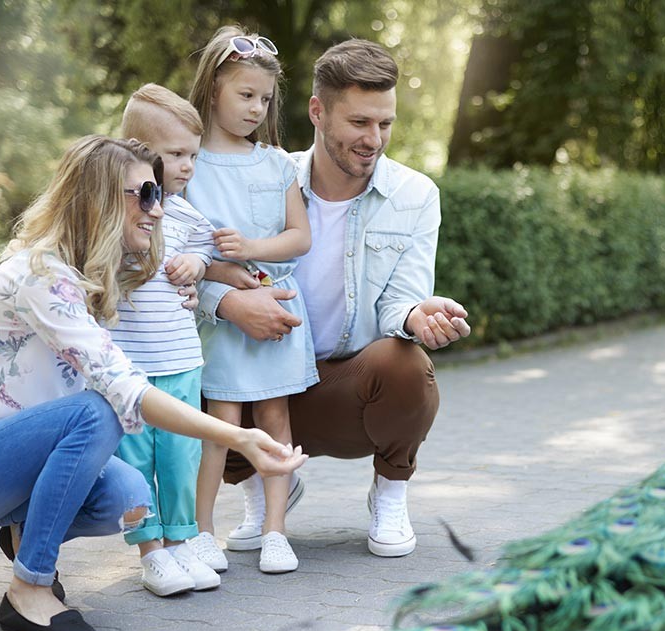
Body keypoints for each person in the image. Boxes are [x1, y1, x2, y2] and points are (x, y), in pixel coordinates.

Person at [0, 136, 305, 631]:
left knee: (129, 496)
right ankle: (29, 586)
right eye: (145, 194)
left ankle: (25, 532)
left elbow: (193, 267)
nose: (158, 208)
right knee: (99, 413)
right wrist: (241, 438)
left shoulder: (90, 273)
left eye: (158, 192)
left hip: (10, 459)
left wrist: (216, 284)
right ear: (98, 199)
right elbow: (124, 390)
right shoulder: (43, 276)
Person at [195, 38, 471, 559]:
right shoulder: (263, 173)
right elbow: (188, 260)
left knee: (406, 364)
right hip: (257, 376)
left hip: (344, 388)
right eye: (359, 123)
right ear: (317, 112)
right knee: (191, 371)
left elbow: (400, 302)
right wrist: (228, 304)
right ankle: (261, 490)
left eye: (385, 124)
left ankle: (390, 493)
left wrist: (417, 315)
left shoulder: (415, 196)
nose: (375, 139)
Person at [186, 26, 317, 575]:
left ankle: (275, 533)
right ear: (213, 88)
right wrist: (222, 268)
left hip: (279, 305)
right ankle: (201, 533)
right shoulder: (188, 163)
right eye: (245, 95)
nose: (256, 109)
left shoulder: (276, 163)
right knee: (219, 425)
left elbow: (299, 237)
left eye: (264, 99)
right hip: (221, 319)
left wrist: (252, 248)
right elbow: (178, 246)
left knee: (275, 416)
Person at [112, 84, 222, 596]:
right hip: (128, 368)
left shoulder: (188, 217)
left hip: (179, 360)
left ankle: (180, 544)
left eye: (193, 155)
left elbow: (205, 247)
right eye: (176, 154)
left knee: (180, 458)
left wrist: (197, 266)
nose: (187, 166)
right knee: (134, 464)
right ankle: (150, 552)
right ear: (137, 151)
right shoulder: (118, 215)